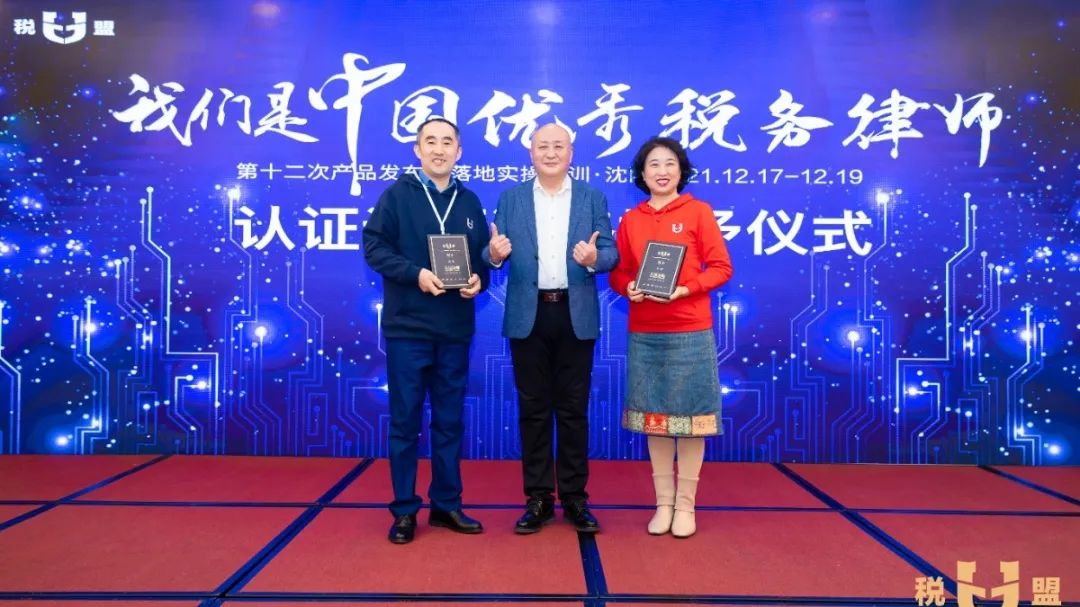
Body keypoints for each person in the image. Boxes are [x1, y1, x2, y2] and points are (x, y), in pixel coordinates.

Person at [483, 123, 618, 534]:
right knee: (533, 410)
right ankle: (539, 499)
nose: (551, 152)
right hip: (529, 315)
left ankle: (575, 499)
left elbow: (610, 253)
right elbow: (492, 253)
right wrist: (493, 255)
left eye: (559, 146)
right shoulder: (511, 198)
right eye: (543, 146)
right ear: (531, 153)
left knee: (573, 411)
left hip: (575, 314)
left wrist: (594, 259)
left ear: (571, 153)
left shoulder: (592, 197)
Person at [362, 117, 490, 545]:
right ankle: (403, 510)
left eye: (447, 142)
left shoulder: (469, 201)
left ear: (459, 151)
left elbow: (479, 260)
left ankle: (446, 504)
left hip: (455, 329)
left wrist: (479, 279)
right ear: (417, 150)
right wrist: (414, 273)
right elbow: (374, 247)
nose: (439, 149)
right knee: (405, 423)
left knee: (450, 422)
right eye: (430, 142)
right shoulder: (397, 196)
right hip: (408, 329)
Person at [609, 136, 733, 538]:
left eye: (669, 164)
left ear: (681, 171)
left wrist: (685, 289)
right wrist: (627, 287)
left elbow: (721, 267)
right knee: (655, 418)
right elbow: (619, 272)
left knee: (692, 421)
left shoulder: (698, 212)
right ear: (642, 174)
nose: (661, 172)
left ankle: (686, 505)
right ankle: (663, 503)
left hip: (689, 329)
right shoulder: (632, 219)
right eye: (653, 165)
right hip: (646, 332)